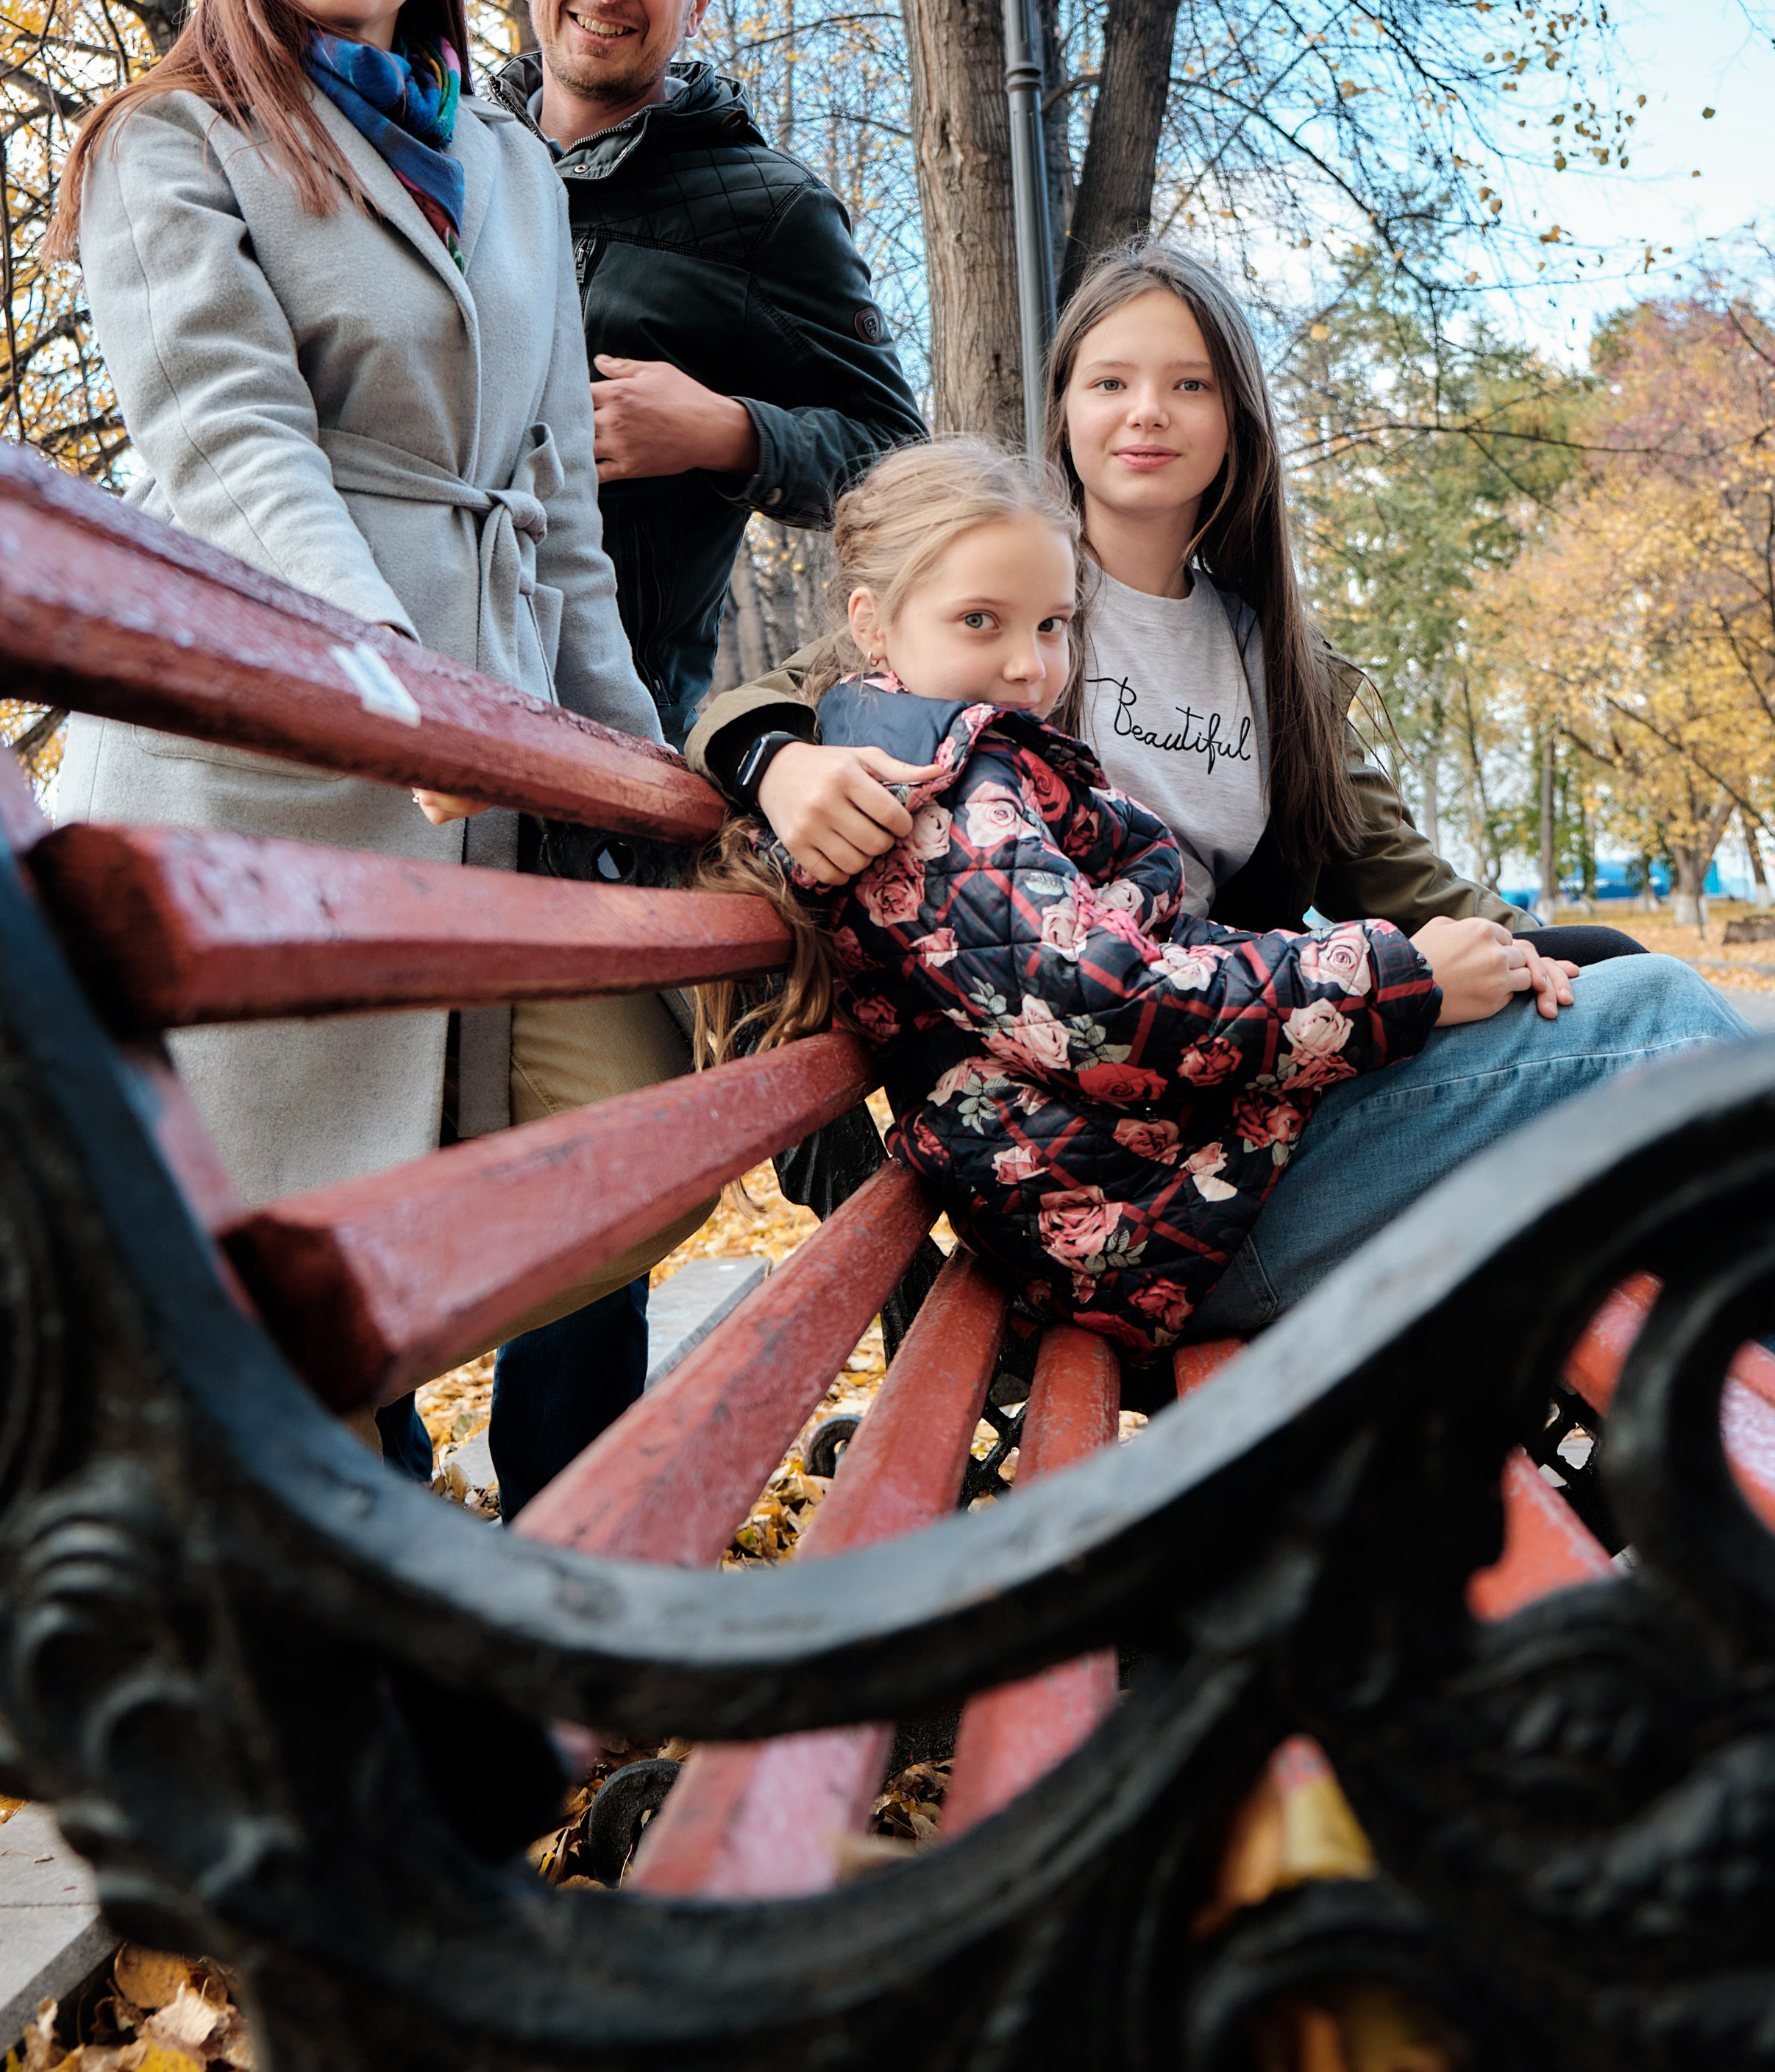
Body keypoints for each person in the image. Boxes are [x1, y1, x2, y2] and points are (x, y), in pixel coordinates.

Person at [689, 244, 1746, 1338]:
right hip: (1162, 1170)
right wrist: (779, 760)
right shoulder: (998, 592)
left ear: (1236, 416)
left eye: (1190, 382)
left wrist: (1525, 949)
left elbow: (1396, 868)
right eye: (1110, 381)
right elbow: (804, 701)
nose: (1148, 412)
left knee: (1630, 1002)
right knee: (1670, 1033)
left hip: (1225, 1106)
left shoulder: (1259, 650)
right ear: (1063, 409)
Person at [48, 0, 698, 1508]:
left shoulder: (501, 160)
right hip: (260, 767)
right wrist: (385, 691)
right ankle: (378, 1606)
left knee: (634, 1131)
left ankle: (487, 1503)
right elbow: (228, 441)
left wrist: (648, 785)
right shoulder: (168, 138)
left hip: (472, 759)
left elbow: (557, 510)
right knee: (289, 1254)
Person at [488, 0, 926, 741]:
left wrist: (726, 433)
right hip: (402, 687)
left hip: (601, 735)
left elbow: (902, 468)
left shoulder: (771, 211)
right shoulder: (445, 164)